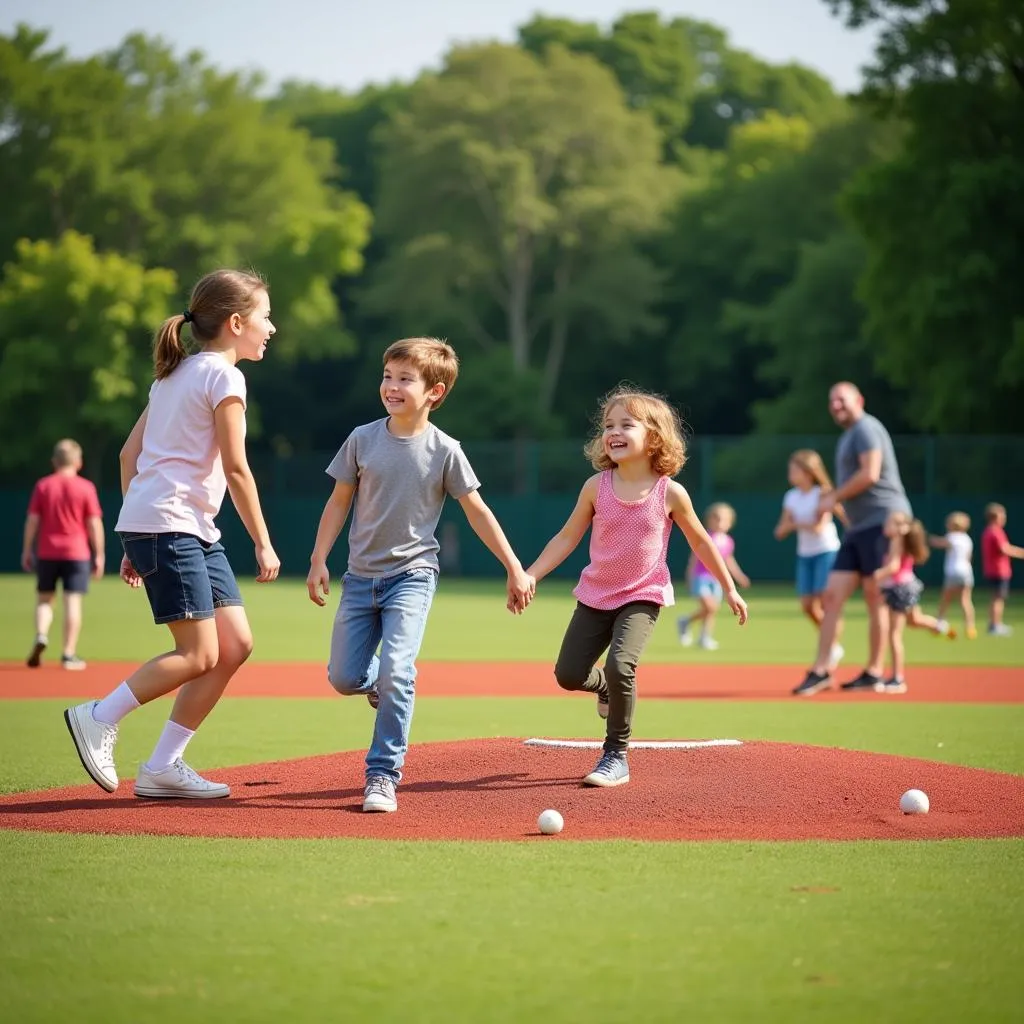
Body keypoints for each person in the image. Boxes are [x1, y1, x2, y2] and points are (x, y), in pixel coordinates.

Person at [63, 269, 280, 800]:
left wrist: (133, 529)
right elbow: (236, 469)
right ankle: (98, 716)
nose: (271, 328)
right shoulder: (225, 377)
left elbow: (127, 456)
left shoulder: (173, 374)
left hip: (175, 526)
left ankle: (162, 766)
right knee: (199, 653)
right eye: (265, 317)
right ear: (235, 323)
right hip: (172, 526)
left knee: (235, 644)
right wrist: (263, 540)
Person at [306, 337, 534, 814]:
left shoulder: (445, 450)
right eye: (388, 376)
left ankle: (383, 776)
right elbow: (338, 502)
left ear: (435, 391)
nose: (391, 385)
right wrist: (317, 558)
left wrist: (514, 567)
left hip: (412, 576)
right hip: (359, 578)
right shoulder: (362, 439)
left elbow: (478, 512)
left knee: (399, 670)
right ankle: (378, 684)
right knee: (345, 677)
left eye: (405, 378)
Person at [522, 388, 748, 788]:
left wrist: (728, 588)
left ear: (655, 436)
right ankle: (604, 686)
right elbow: (566, 537)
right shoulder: (596, 487)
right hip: (595, 595)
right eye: (609, 425)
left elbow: (701, 542)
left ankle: (615, 755)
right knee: (568, 674)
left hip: (642, 595)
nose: (614, 431)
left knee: (622, 663)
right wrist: (530, 574)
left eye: (627, 424)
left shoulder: (670, 492)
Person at [793, 382, 912, 697]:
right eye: (832, 400)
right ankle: (821, 670)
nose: (836, 405)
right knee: (831, 597)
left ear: (859, 400)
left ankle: (874, 671)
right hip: (859, 528)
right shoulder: (848, 436)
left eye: (841, 399)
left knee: (876, 598)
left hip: (883, 522)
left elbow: (870, 474)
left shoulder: (866, 428)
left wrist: (833, 496)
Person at [21, 439, 105, 669]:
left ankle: (41, 635)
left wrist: (27, 549)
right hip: (76, 552)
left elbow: (32, 521)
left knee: (45, 599)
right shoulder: (85, 487)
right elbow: (94, 523)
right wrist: (99, 554)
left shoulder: (43, 486)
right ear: (78, 462)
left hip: (47, 551)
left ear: (54, 461)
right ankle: (68, 654)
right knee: (72, 601)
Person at [773, 449, 844, 664]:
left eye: (795, 470)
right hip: (805, 554)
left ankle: (830, 648)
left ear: (809, 472)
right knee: (806, 605)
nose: (791, 473)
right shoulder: (791, 496)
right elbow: (780, 530)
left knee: (826, 604)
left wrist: (794, 524)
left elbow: (819, 527)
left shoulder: (822, 492)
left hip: (826, 551)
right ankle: (832, 643)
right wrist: (790, 525)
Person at [875, 511, 955, 694]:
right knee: (915, 621)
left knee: (894, 634)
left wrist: (875, 576)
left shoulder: (897, 540)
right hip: (906, 586)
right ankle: (940, 626)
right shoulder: (901, 540)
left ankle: (897, 678)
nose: (886, 526)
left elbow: (893, 567)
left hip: (899, 589)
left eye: (891, 523)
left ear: (901, 527)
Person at [676, 502, 750, 651]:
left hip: (716, 580)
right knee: (709, 606)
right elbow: (694, 558)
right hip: (701, 577)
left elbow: (729, 561)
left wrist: (739, 576)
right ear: (709, 520)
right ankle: (686, 622)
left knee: (712, 610)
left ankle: (702, 635)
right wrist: (689, 576)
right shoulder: (705, 537)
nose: (719, 523)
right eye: (716, 518)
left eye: (723, 520)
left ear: (730, 523)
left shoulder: (728, 541)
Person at [929, 511, 976, 639]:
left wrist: (929, 539)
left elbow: (940, 543)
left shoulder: (951, 536)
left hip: (953, 572)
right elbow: (969, 558)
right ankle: (970, 627)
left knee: (945, 600)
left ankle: (938, 625)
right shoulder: (967, 539)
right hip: (966, 572)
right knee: (966, 600)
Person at [981, 503, 1024, 636]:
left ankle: (993, 623)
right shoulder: (995, 531)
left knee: (996, 598)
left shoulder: (989, 531)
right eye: (1002, 515)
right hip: (999, 570)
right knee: (998, 599)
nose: (1004, 518)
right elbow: (1005, 549)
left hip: (992, 570)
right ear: (995, 517)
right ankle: (995, 625)